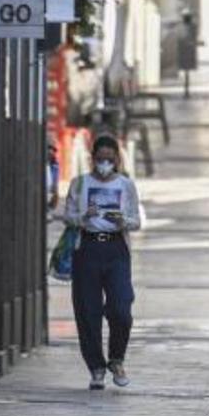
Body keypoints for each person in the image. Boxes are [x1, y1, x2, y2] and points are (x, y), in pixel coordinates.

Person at [63, 135, 142, 390]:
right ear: (92, 159)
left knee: (121, 306)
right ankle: (96, 366)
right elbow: (67, 216)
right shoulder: (80, 183)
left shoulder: (126, 185)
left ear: (117, 159)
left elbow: (136, 221)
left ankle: (116, 359)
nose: (104, 164)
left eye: (109, 160)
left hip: (116, 247)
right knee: (88, 310)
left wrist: (123, 222)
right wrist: (83, 217)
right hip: (87, 247)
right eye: (100, 159)